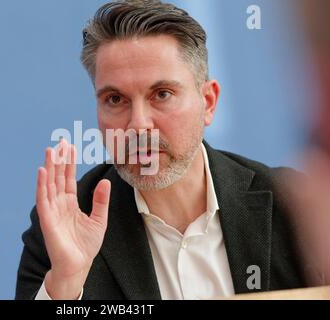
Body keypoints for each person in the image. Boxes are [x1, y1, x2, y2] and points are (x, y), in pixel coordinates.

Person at [15, 0, 305, 300]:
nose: (138, 125)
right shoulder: (63, 228)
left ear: (208, 102)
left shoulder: (295, 207)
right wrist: (65, 287)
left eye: (162, 94)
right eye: (115, 99)